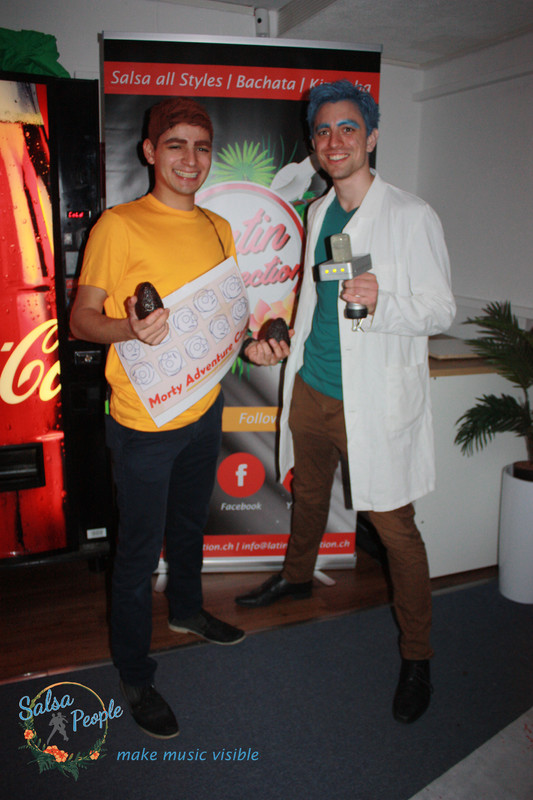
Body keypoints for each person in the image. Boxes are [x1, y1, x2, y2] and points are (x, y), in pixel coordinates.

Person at [235, 80, 456, 724]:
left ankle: (418, 656)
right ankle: (297, 576)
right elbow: (315, 299)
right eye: (323, 131)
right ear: (314, 143)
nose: (335, 141)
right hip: (312, 386)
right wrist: (284, 336)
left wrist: (385, 298)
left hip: (374, 402)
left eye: (348, 128)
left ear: (373, 137)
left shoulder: (411, 215)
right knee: (308, 493)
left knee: (395, 528)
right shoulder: (318, 212)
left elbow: (440, 309)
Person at [70, 97, 287, 739]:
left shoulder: (218, 227)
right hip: (143, 422)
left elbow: (226, 320)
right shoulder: (119, 226)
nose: (190, 159)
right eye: (175, 145)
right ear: (149, 151)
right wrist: (128, 329)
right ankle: (135, 672)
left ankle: (187, 610)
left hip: (203, 406)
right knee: (138, 554)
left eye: (201, 146)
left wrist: (254, 346)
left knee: (190, 524)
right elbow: (81, 320)